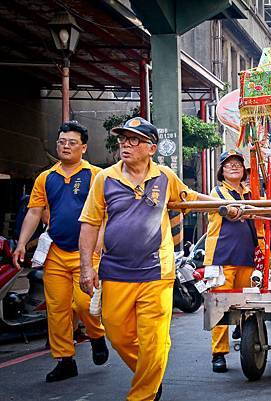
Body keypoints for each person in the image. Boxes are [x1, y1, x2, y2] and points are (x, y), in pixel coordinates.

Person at [78, 117, 214, 401]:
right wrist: (87, 266)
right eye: (123, 139)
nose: (126, 144)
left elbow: (192, 198)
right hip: (115, 270)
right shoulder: (105, 178)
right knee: (118, 334)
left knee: (153, 339)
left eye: (134, 139)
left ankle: (143, 394)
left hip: (156, 271)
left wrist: (225, 205)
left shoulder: (165, 177)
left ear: (151, 148)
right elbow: (90, 223)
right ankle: (150, 376)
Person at [12, 121, 109, 383]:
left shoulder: (96, 176)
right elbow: (34, 211)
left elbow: (105, 214)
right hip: (55, 251)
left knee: (85, 303)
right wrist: (22, 242)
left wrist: (99, 243)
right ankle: (65, 360)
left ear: (84, 148)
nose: (65, 146)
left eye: (72, 142)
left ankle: (97, 335)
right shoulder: (46, 178)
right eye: (62, 142)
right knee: (57, 310)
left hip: (87, 254)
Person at [203, 149, 263, 373]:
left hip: (246, 257)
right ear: (221, 170)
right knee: (220, 307)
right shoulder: (217, 192)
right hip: (222, 258)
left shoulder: (248, 193)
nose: (234, 166)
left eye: (238, 163)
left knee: (245, 303)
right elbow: (232, 212)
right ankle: (218, 353)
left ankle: (242, 331)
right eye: (229, 164)